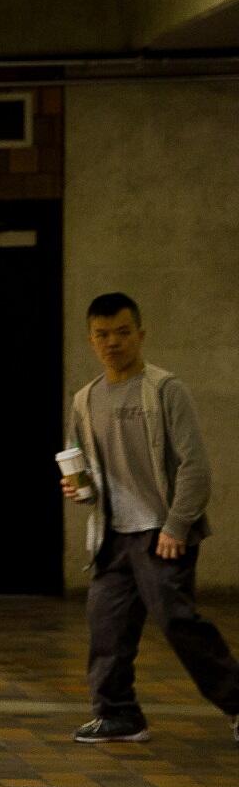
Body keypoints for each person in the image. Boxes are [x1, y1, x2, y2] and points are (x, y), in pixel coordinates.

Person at [63, 292, 238, 744]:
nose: (113, 343)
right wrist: (79, 489)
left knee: (179, 622)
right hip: (112, 534)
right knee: (106, 625)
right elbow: (80, 464)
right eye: (102, 335)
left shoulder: (164, 390)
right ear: (90, 340)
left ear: (140, 334)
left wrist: (177, 525)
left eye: (122, 332)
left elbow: (195, 465)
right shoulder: (84, 400)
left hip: (162, 531)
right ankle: (118, 714)